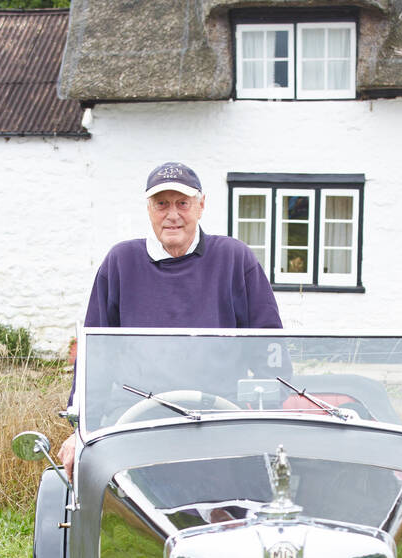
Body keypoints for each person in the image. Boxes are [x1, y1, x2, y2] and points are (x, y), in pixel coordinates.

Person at [59, 162, 282, 474]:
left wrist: (272, 418)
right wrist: (80, 430)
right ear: (149, 209)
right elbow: (96, 356)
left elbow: (269, 348)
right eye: (162, 204)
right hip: (136, 419)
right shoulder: (121, 262)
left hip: (220, 418)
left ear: (201, 205)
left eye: (183, 203)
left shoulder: (235, 258)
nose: (172, 214)